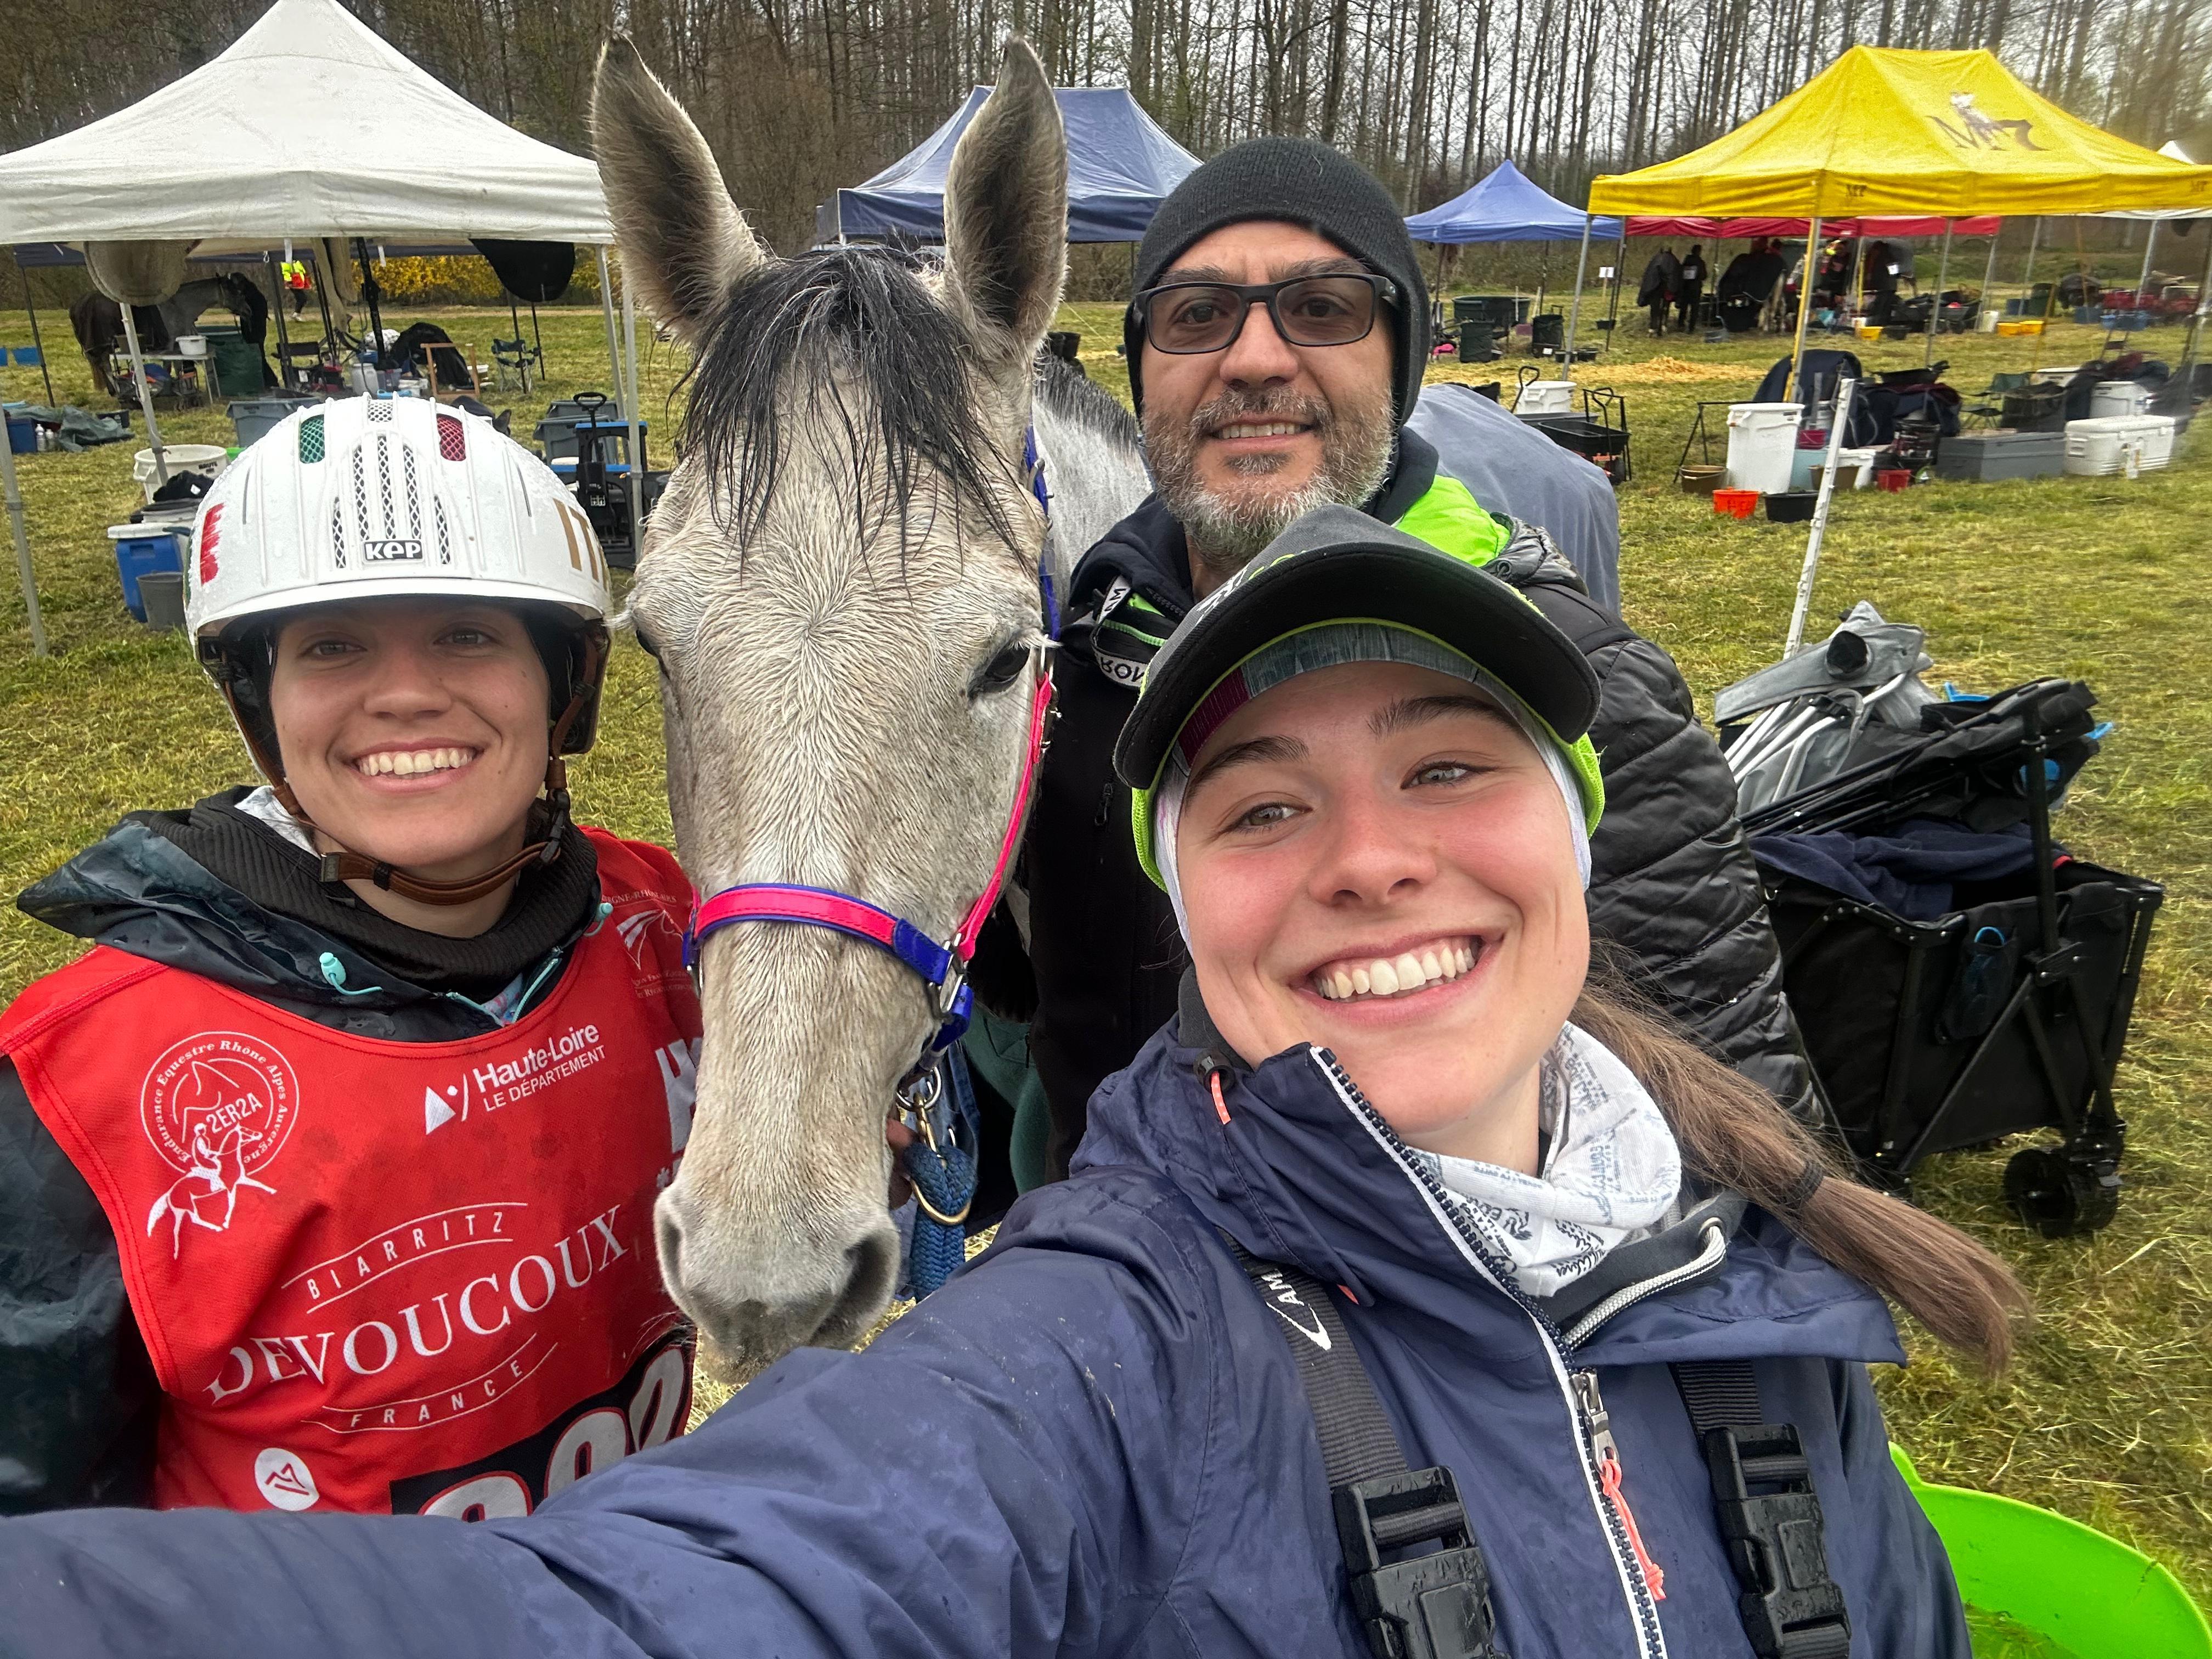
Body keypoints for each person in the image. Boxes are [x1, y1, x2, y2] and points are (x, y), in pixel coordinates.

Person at [0, 507, 2026, 1659]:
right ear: (1184, 905)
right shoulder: (1107, 1343)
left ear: (1577, 840)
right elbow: (657, 1605)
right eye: (1262, 803)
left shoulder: (1752, 1294)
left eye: (1448, 765)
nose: (1371, 856)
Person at [1010, 138, 1821, 1186]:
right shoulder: (1087, 653)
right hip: (1098, 1243)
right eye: (1197, 314)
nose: (1253, 359)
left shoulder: (1574, 682)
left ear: (1399, 365)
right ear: (1143, 371)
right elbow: (1040, 991)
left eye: (1321, 308)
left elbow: (1740, 1127)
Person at [0, 398, 701, 1517]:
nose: (407, 693)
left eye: (467, 634)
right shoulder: (79, 1088)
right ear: (258, 700)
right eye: (334, 645)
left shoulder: (664, 924)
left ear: (563, 683)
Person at [1636, 245, 1680, 335]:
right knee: (1665, 307)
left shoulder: (1656, 259)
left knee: (1654, 307)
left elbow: (1649, 275)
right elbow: (1676, 274)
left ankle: (1653, 327)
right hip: (1667, 287)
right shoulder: (1672, 260)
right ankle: (1663, 325)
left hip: (1655, 287)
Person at [1675, 242, 1706, 332]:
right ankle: (1691, 328)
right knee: (1694, 309)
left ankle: (1680, 325)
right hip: (1695, 289)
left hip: (1685, 288)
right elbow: (1704, 276)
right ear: (1699, 252)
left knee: (1683, 308)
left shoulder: (1686, 262)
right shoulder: (1700, 263)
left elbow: (1680, 274)